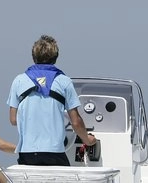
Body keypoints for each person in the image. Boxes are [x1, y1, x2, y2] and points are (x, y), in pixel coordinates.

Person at [7, 34, 96, 166]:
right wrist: (87, 140)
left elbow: (13, 120)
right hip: (54, 152)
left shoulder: (19, 80)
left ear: (33, 56)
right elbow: (76, 122)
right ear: (55, 57)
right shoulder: (64, 81)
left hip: (27, 152)